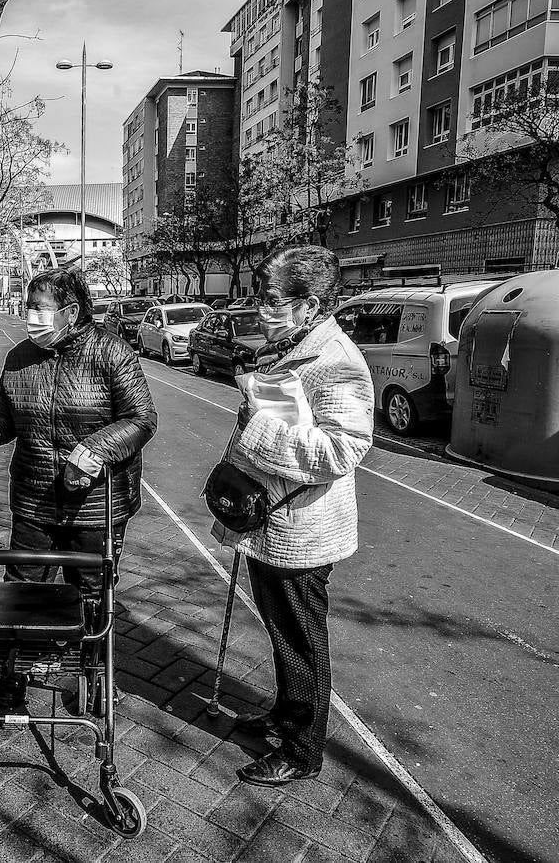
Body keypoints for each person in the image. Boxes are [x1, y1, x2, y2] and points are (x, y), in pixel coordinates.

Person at [0, 268, 157, 708]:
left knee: (93, 589)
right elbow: (2, 416)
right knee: (23, 584)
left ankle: (94, 669)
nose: (30, 316)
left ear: (71, 312)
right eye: (28, 307)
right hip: (34, 496)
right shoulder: (20, 357)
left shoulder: (111, 353)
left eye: (39, 308)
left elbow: (140, 418)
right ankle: (17, 667)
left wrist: (96, 448)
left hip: (97, 503)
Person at [224, 245, 373, 787]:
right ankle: (286, 716)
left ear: (309, 305)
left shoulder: (335, 360)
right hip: (272, 519)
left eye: (270, 300)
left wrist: (258, 423)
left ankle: (303, 748)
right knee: (282, 631)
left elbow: (342, 450)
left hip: (304, 528)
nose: (259, 309)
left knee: (302, 638)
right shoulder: (287, 346)